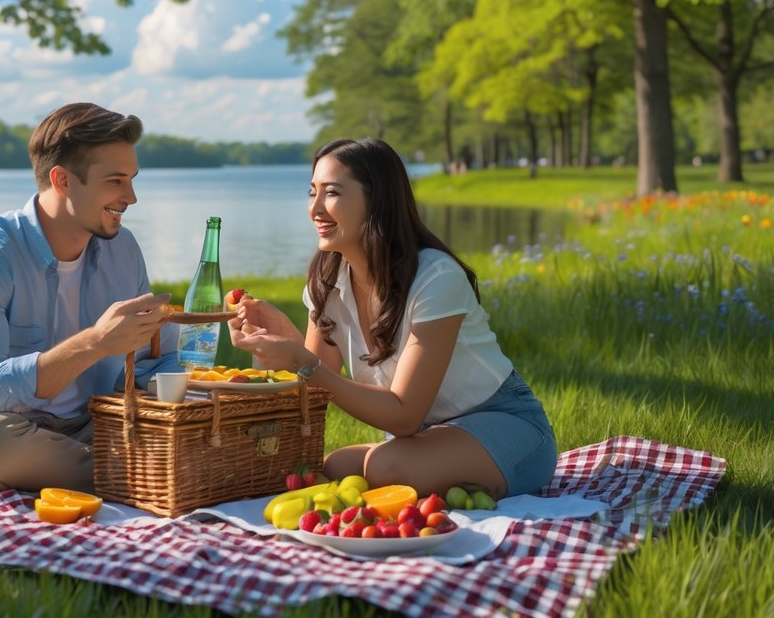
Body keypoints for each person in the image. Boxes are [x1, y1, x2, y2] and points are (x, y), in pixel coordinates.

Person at [229, 138, 556, 499]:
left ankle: (426, 464)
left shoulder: (435, 277)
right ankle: (416, 463)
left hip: (506, 426)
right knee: (337, 466)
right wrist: (280, 341)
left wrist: (302, 361)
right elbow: (312, 385)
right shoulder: (327, 281)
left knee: (386, 467)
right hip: (424, 438)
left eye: (332, 193)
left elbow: (403, 415)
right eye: (312, 193)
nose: (315, 209)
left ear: (377, 200)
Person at [0, 102, 178, 494]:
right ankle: (137, 476)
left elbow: (154, 363)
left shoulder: (122, 250)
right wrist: (94, 343)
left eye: (132, 179)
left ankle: (122, 469)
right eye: (115, 181)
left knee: (194, 430)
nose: (131, 197)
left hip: (90, 425)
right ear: (62, 180)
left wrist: (192, 390)